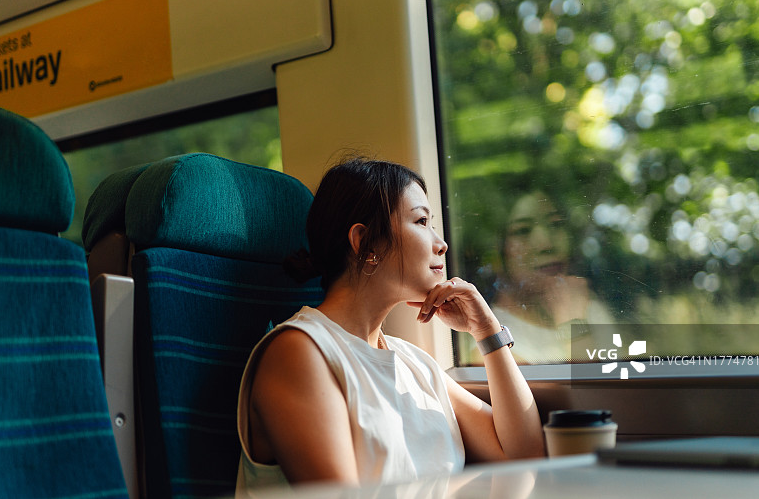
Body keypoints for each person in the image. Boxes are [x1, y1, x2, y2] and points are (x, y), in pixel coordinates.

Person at [235, 157, 545, 493]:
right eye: (422, 221)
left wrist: (487, 332)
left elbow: (524, 458)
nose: (441, 244)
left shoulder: (414, 363)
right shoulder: (299, 353)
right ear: (365, 244)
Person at [484, 190, 612, 364]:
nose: (545, 243)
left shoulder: (591, 310)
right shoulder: (492, 340)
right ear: (498, 251)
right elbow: (597, 389)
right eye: (522, 231)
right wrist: (574, 329)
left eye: (555, 224)